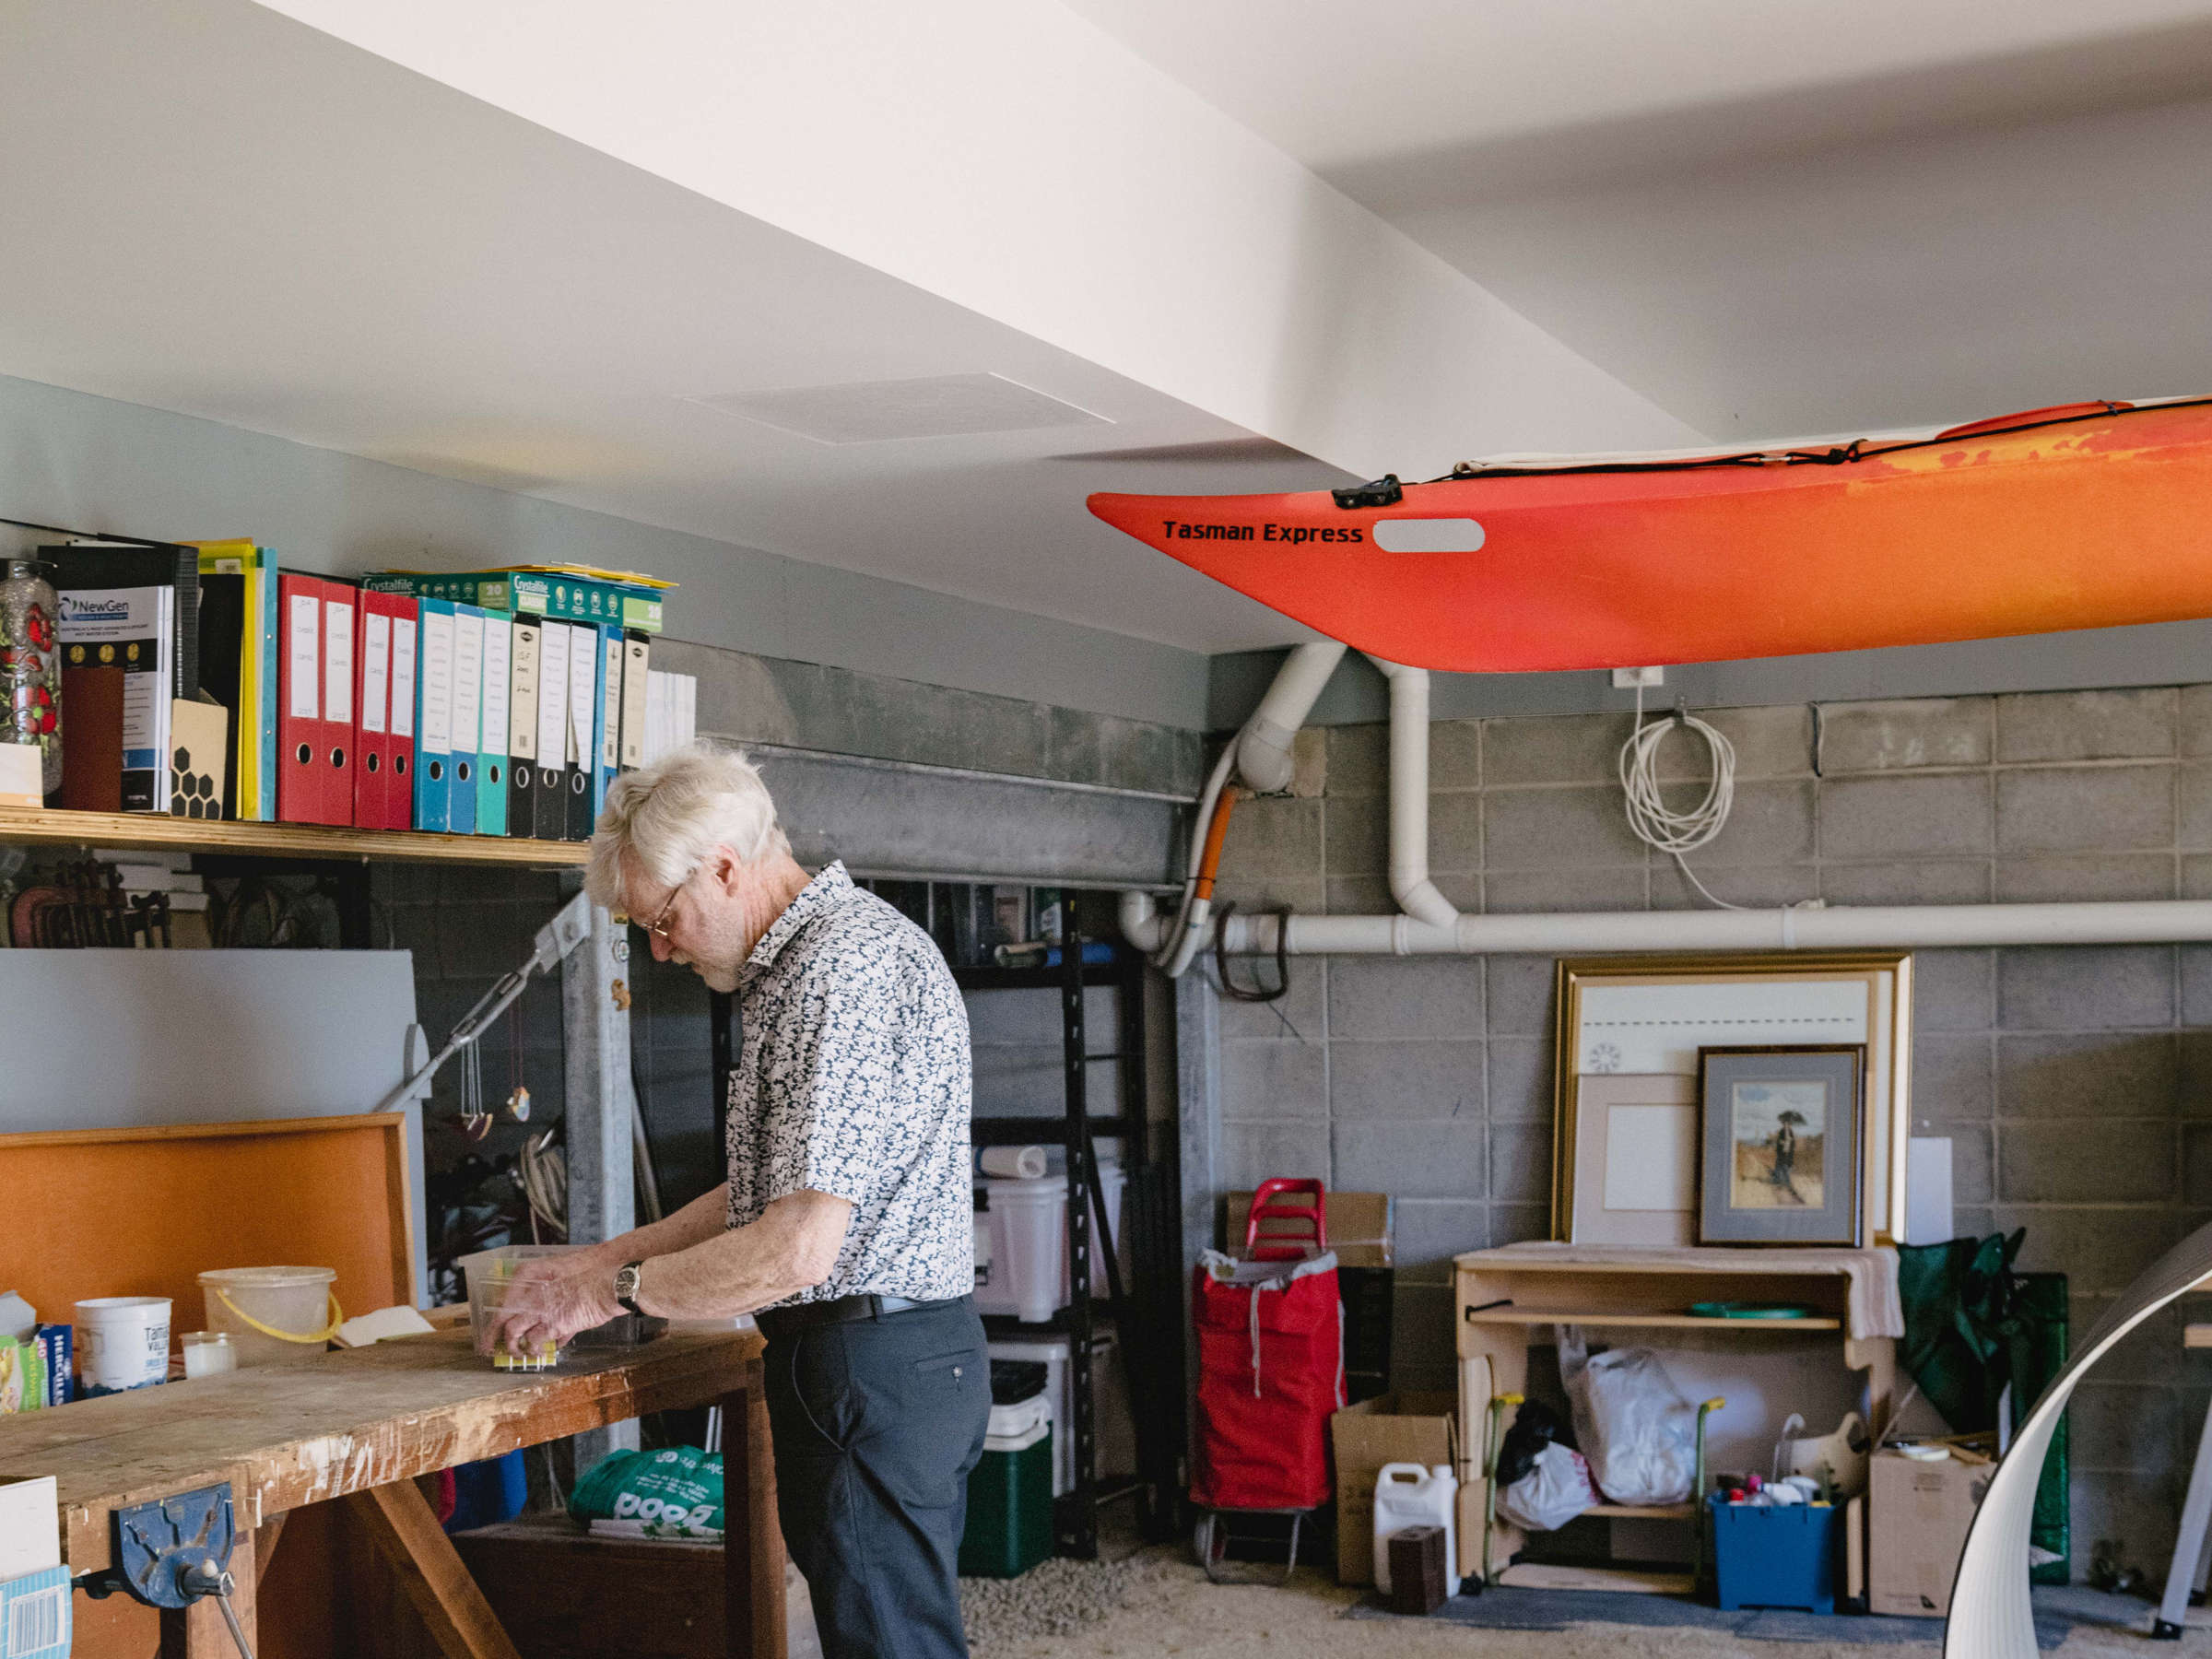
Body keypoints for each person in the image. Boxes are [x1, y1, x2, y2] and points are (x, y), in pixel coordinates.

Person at [490, 744, 988, 1659]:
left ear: (723, 866)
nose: (661, 948)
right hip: (885, 1360)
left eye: (666, 918)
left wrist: (609, 1294)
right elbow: (765, 1191)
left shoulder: (838, 974)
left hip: (869, 1365)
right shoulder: (805, 967)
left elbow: (797, 1248)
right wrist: (600, 1261)